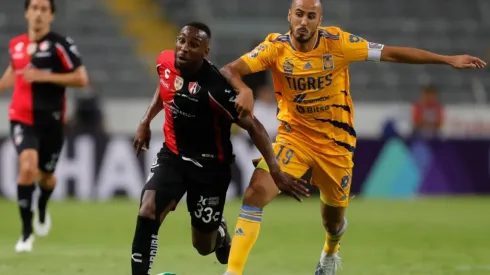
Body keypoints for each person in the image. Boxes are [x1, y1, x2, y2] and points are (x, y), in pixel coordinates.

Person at [219, 0, 487, 274]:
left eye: (311, 16)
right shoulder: (275, 48)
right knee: (255, 193)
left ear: (319, 20)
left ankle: (330, 251)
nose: (304, 21)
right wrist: (243, 89)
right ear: (289, 15)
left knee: (332, 222)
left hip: (336, 145)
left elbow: (391, 54)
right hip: (294, 139)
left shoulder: (339, 43)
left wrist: (448, 60)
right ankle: (233, 271)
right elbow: (229, 70)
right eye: (299, 14)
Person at [130, 22, 308, 275]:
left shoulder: (216, 90)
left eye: (193, 45)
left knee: (203, 246)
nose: (184, 48)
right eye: (181, 40)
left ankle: (219, 232)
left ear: (205, 52)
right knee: (148, 210)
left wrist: (276, 171)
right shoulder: (165, 62)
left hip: (210, 168)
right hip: (173, 156)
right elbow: (164, 87)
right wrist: (145, 121)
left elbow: (255, 127)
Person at [0, 0, 88, 253]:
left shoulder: (61, 44)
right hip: (21, 117)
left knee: (47, 177)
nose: (38, 14)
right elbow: (12, 72)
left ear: (51, 16)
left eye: (43, 9)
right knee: (27, 167)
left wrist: (44, 76)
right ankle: (26, 234)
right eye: (34, 8)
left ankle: (41, 208)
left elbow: (81, 78)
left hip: (51, 122)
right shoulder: (16, 44)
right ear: (27, 13)